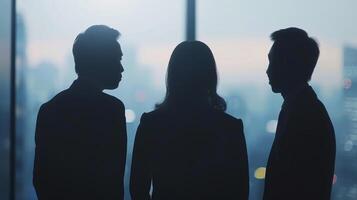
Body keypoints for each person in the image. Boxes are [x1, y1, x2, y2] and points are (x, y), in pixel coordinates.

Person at [130, 41, 249, 200]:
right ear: (210, 76)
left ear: (172, 76)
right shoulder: (230, 128)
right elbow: (240, 191)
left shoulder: (151, 124)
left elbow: (138, 188)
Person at [33, 25, 127, 200]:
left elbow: (42, 179)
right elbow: (114, 180)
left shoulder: (49, 110)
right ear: (101, 61)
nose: (121, 68)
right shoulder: (112, 110)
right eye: (117, 59)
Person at [264, 27, 336, 200]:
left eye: (273, 61)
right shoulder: (305, 109)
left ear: (289, 64)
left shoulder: (305, 115)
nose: (267, 70)